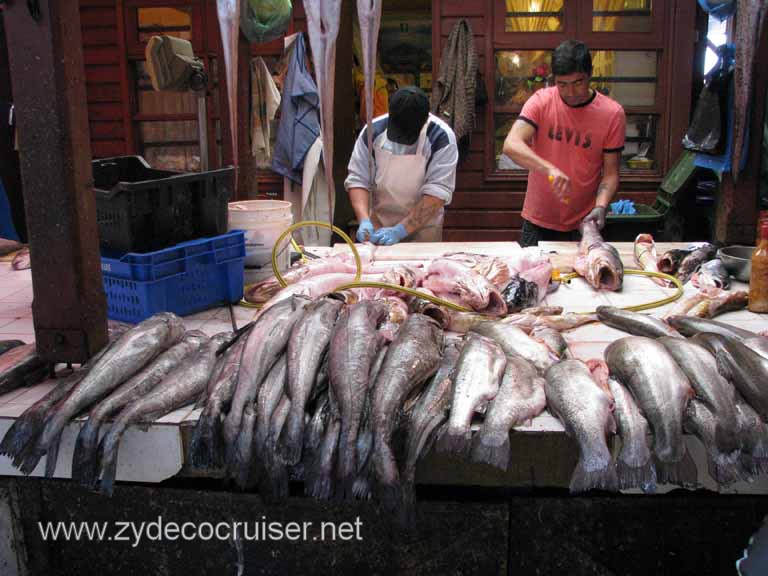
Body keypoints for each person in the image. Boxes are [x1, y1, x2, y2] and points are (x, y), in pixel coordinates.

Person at [502, 40, 626, 247]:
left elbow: (611, 174)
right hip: (537, 218)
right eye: (562, 84)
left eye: (578, 83)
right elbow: (511, 144)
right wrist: (550, 169)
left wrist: (601, 206)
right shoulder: (541, 101)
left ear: (590, 75)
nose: (570, 92)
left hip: (584, 222)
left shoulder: (612, 113)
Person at [345, 86, 459, 245]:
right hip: (379, 224)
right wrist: (364, 220)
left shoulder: (441, 138)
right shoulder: (372, 131)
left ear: (425, 120)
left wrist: (400, 230)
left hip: (423, 231)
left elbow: (437, 193)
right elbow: (358, 179)